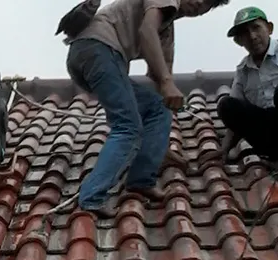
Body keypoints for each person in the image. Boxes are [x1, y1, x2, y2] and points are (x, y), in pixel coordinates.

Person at [65, 0, 230, 219]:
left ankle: (140, 180)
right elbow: (147, 31)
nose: (200, 3)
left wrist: (157, 147)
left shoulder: (166, 33)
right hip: (97, 48)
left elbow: (159, 82)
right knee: (128, 126)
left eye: (208, 4)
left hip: (87, 58)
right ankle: (91, 198)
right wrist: (167, 82)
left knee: (157, 107)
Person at [216, 6, 278, 163]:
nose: (252, 36)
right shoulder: (243, 71)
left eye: (256, 28)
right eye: (244, 33)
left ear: (269, 28)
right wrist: (223, 150)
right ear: (238, 41)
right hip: (272, 134)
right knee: (227, 105)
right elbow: (236, 121)